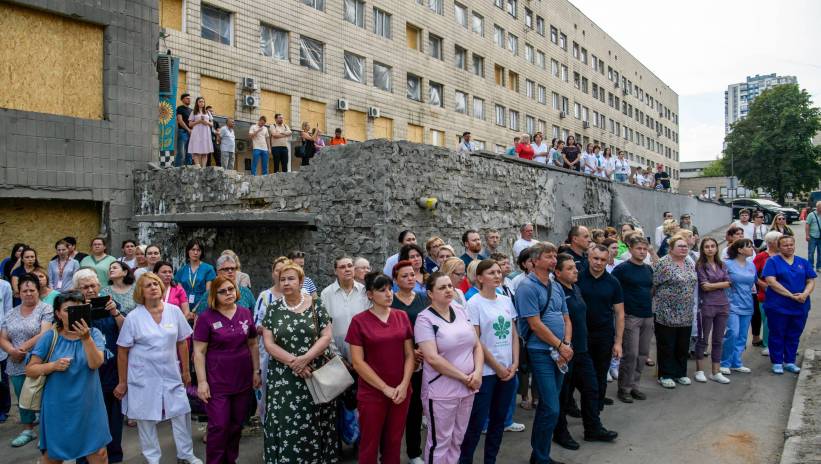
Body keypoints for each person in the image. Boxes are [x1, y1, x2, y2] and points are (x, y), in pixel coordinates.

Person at [114, 273, 201, 464]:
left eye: (156, 284)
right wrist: (122, 382)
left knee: (181, 412)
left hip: (171, 373)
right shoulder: (133, 317)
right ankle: (153, 459)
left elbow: (182, 343)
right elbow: (122, 351)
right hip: (142, 376)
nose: (153, 287)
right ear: (141, 292)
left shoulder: (174, 311)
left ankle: (185, 455)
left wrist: (186, 371)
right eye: (148, 285)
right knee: (146, 419)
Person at [261, 263, 337, 462]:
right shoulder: (273, 308)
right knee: (286, 423)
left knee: (315, 420)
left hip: (314, 373)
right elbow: (268, 343)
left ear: (301, 281)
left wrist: (305, 359)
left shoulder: (316, 304)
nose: (286, 283)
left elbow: (326, 336)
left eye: (291, 278)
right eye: (283, 279)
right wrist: (295, 362)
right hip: (284, 378)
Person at [25, 292, 110, 463]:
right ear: (57, 314)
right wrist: (52, 366)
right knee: (52, 456)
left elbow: (95, 363)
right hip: (57, 407)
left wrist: (86, 339)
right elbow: (30, 370)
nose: (74, 313)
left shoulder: (94, 334)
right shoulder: (50, 336)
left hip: (89, 404)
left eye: (78, 309)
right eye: (68, 310)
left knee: (99, 453)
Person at [346, 272, 415, 464]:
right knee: (369, 444)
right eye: (382, 290)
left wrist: (403, 384)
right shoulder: (359, 321)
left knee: (393, 443)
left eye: (390, 289)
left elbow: (410, 355)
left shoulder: (401, 317)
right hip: (372, 393)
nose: (388, 294)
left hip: (401, 391)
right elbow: (358, 362)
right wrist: (385, 388)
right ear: (369, 295)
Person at [415, 272, 483, 464]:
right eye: (442, 287)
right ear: (430, 293)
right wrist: (464, 377)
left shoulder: (460, 309)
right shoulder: (424, 319)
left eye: (449, 286)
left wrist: (477, 372)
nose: (448, 290)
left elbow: (476, 344)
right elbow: (432, 358)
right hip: (441, 392)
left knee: (457, 439)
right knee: (439, 442)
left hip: (468, 388)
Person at [514, 243, 572, 464]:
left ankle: (540, 455)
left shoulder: (555, 285)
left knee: (550, 406)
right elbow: (535, 324)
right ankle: (540, 456)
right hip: (541, 351)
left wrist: (566, 343)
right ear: (534, 261)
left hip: (559, 352)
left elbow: (566, 317)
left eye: (555, 256)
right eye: (548, 256)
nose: (554, 259)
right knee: (551, 407)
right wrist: (560, 345)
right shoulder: (527, 287)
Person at [193, 275, 260, 464]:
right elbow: (198, 352)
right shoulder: (206, 317)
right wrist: (202, 382)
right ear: (214, 294)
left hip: (242, 379)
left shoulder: (245, 312)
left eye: (231, 289)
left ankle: (231, 460)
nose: (228, 293)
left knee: (236, 425)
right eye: (222, 291)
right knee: (219, 426)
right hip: (217, 382)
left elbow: (253, 343)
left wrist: (256, 371)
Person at [552, 253, 615, 450]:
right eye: (569, 269)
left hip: (582, 350)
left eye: (575, 267)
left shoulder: (576, 288)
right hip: (566, 351)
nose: (575, 271)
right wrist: (563, 347)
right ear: (558, 272)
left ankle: (593, 428)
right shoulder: (556, 292)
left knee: (591, 388)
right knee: (563, 395)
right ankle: (560, 432)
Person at [458, 260, 518, 463]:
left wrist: (515, 363)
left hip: (508, 370)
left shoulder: (505, 300)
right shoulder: (474, 303)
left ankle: (490, 460)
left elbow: (513, 334)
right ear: (480, 278)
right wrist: (497, 367)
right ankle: (465, 459)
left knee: (499, 422)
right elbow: (476, 340)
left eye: (499, 272)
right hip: (486, 372)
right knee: (476, 422)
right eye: (491, 272)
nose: (497, 275)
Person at [74, 267, 126, 463]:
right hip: (86, 373)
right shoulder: (73, 309)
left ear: (99, 286)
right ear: (78, 289)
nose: (90, 289)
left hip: (111, 371)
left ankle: (113, 457)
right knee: (86, 420)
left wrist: (115, 312)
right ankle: (84, 458)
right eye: (84, 286)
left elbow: (126, 332)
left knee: (113, 419)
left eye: (93, 285)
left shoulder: (110, 305)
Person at [0, 274, 52, 447]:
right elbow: (3, 337)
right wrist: (11, 351)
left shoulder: (46, 309)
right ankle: (28, 429)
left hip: (39, 361)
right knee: (23, 397)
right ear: (19, 293)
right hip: (15, 362)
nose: (28, 293)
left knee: (44, 397)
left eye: (32, 290)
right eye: (24, 290)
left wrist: (22, 348)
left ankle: (47, 431)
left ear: (38, 291)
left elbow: (45, 333)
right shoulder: (11, 313)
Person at [576, 245, 624, 418]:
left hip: (604, 335)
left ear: (608, 261)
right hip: (580, 335)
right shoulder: (578, 279)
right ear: (589, 258)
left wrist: (618, 342)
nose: (598, 263)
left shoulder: (613, 283)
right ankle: (583, 405)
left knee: (600, 373)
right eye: (595, 258)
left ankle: (595, 410)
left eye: (603, 260)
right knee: (582, 376)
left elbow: (619, 313)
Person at [390, 260, 429, 464]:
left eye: (412, 274)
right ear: (395, 280)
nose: (410, 278)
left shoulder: (423, 299)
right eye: (404, 276)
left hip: (422, 360)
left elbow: (431, 325)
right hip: (397, 359)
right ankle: (390, 453)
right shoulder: (390, 301)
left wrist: (422, 350)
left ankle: (414, 453)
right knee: (395, 410)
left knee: (415, 409)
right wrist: (410, 352)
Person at [762, 235, 816, 374]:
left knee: (794, 334)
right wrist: (790, 295)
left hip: (800, 305)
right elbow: (771, 281)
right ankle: (777, 362)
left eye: (791, 244)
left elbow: (811, 280)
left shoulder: (803, 262)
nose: (789, 247)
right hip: (778, 305)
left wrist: (804, 294)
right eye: (785, 245)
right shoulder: (772, 262)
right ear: (779, 247)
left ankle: (789, 361)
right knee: (777, 333)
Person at [612, 235, 655, 402]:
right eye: (639, 248)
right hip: (630, 316)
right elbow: (613, 287)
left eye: (645, 249)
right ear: (630, 250)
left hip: (647, 315)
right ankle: (624, 388)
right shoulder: (622, 269)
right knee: (630, 354)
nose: (642, 252)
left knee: (643, 354)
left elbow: (651, 288)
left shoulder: (648, 269)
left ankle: (635, 386)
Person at [653, 235, 698, 388]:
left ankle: (680, 373)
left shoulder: (689, 262)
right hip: (666, 311)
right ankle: (665, 374)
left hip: (685, 311)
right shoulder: (663, 263)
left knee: (682, 344)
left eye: (685, 246)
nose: (684, 248)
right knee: (667, 344)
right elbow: (654, 285)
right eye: (680, 246)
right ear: (670, 248)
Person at [253, 256, 291, 424]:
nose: (281, 274)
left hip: (292, 354)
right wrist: (276, 331)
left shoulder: (302, 297)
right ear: (273, 274)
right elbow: (256, 325)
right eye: (278, 270)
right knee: (267, 397)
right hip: (268, 354)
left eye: (285, 270)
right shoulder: (265, 297)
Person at [693, 237, 732, 384]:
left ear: (716, 248)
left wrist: (714, 284)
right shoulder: (700, 265)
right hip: (707, 305)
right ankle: (699, 370)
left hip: (723, 305)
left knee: (718, 339)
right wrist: (722, 284)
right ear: (703, 249)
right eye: (707, 246)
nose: (710, 249)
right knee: (703, 339)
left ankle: (716, 371)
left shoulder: (721, 264)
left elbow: (730, 283)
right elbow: (704, 286)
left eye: (713, 246)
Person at [718, 239, 757, 375]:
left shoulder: (751, 265)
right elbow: (719, 281)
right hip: (731, 304)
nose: (752, 248)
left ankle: (736, 362)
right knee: (732, 333)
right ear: (740, 250)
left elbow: (756, 282)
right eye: (749, 246)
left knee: (742, 336)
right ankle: (724, 362)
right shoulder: (727, 264)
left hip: (747, 303)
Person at [320, 256, 369, 362]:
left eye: (350, 266)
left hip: (365, 353)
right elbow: (325, 326)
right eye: (342, 267)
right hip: (337, 355)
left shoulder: (364, 292)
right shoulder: (326, 294)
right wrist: (337, 356)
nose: (347, 269)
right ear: (335, 271)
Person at [754, 231, 782, 357]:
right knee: (768, 321)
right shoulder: (762, 256)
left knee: (781, 320)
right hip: (766, 294)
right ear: (771, 243)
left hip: (783, 294)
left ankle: (780, 345)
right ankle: (767, 345)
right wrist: (762, 284)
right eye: (779, 240)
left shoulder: (783, 255)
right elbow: (752, 273)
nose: (782, 243)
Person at [176, 239, 216, 314]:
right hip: (184, 309)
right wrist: (186, 311)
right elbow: (179, 293)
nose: (195, 253)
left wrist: (196, 309)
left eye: (198, 250)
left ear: (201, 252)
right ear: (188, 251)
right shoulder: (181, 270)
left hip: (203, 307)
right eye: (193, 249)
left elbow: (208, 293)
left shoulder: (208, 269)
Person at [187, 96, 214, 168]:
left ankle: (204, 167)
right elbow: (190, 124)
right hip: (197, 132)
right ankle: (197, 166)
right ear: (197, 103)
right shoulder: (194, 112)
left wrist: (206, 122)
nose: (202, 103)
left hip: (205, 133)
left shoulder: (208, 112)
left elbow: (212, 124)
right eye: (200, 101)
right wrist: (198, 121)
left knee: (205, 151)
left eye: (203, 101)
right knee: (196, 149)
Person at [175, 93, 193, 167]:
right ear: (182, 100)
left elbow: (193, 122)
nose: (189, 99)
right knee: (181, 153)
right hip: (183, 132)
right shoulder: (180, 108)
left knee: (189, 153)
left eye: (189, 98)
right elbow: (180, 120)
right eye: (187, 98)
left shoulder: (192, 110)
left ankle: (188, 171)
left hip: (191, 133)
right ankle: (177, 170)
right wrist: (188, 130)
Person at [805, 201, 821, 270]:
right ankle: (810, 267)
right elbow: (807, 225)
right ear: (817, 207)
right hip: (812, 236)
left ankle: (819, 266)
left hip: (820, 237)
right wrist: (807, 235)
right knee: (811, 252)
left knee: (820, 253)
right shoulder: (811, 215)